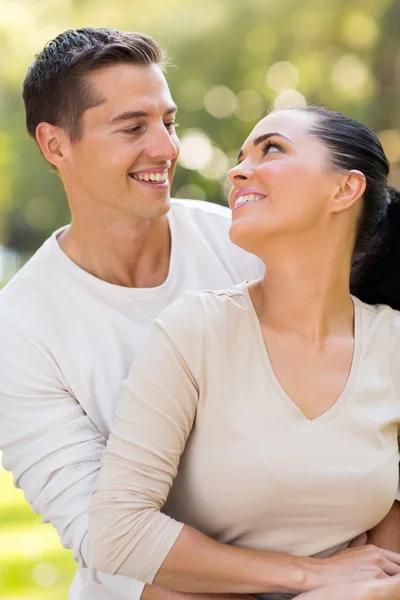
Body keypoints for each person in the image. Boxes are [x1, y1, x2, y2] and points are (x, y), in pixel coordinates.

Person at [89, 106, 400, 600]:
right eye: (238, 157)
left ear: (344, 189)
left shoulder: (392, 346)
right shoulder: (196, 332)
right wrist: (309, 577)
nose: (236, 171)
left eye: (271, 148)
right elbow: (117, 533)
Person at [0, 28, 264, 600]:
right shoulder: (19, 331)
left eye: (167, 122)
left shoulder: (248, 247)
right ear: (56, 145)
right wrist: (307, 581)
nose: (167, 148)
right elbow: (111, 544)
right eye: (132, 127)